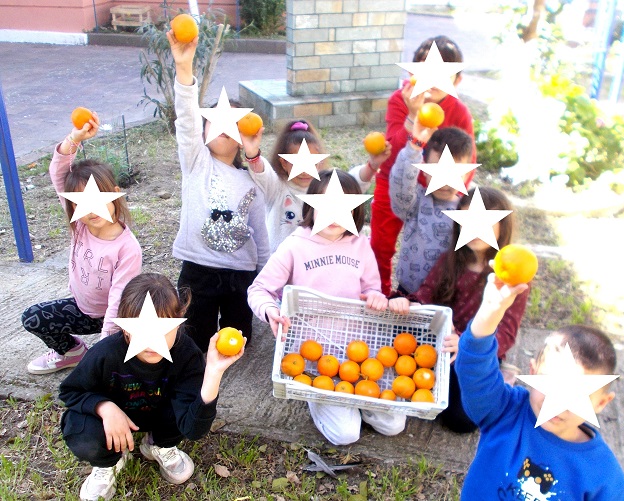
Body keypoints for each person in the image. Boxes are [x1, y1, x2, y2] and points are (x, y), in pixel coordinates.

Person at [247, 169, 405, 445]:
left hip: (359, 351)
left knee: (394, 425)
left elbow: (371, 289)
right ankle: (318, 399)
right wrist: (270, 310)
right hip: (314, 354)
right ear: (311, 206)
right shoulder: (295, 245)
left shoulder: (360, 245)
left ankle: (359, 401)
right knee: (346, 434)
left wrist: (376, 297)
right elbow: (258, 289)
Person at [59, 273, 245, 501]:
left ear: (179, 321)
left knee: (186, 406)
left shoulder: (187, 355)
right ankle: (109, 461)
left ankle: (159, 444)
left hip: (160, 415)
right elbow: (70, 391)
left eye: (163, 329)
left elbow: (193, 429)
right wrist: (104, 407)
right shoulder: (105, 353)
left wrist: (213, 372)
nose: (151, 340)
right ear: (125, 327)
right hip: (113, 419)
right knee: (83, 433)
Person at [455, 273, 624, 500]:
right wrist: (488, 315)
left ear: (601, 402)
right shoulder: (504, 411)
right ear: (533, 372)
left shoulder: (605, 480)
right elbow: (474, 370)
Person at [389, 187, 529, 433]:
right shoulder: (450, 260)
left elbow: (506, 334)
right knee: (407, 383)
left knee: (462, 421)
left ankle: (500, 377)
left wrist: (466, 342)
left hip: (477, 352)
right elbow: (426, 294)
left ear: (502, 225)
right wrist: (408, 302)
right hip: (442, 343)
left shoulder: (512, 277)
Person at [168, 29, 270, 351]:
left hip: (240, 274)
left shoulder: (253, 178)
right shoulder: (196, 161)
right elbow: (186, 120)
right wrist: (184, 69)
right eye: (216, 120)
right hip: (198, 270)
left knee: (238, 342)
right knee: (193, 341)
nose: (225, 127)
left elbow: (260, 231)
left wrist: (264, 276)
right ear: (203, 131)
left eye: (235, 123)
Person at [23, 113, 142, 375]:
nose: (91, 209)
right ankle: (72, 352)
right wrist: (74, 138)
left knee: (124, 365)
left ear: (115, 194)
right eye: (81, 202)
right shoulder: (80, 226)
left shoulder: (127, 248)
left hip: (117, 319)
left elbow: (118, 299)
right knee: (32, 318)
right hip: (82, 309)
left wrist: (103, 348)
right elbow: (58, 172)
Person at [371, 35, 476, 295]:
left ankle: (425, 296)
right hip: (396, 181)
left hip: (438, 192)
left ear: (457, 80)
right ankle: (379, 296)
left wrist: (451, 192)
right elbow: (393, 152)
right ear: (412, 74)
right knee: (380, 246)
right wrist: (412, 115)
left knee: (437, 247)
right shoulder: (400, 100)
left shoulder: (459, 111)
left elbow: (468, 159)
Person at [248, 119, 390, 253]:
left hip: (315, 262)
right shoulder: (277, 188)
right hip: (281, 263)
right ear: (284, 163)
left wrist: (372, 165)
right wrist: (253, 153)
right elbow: (262, 174)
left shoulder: (325, 186)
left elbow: (353, 182)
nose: (305, 171)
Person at [389, 126, 474, 295]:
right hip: (407, 292)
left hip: (446, 296)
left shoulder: (468, 211)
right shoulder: (416, 202)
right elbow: (400, 183)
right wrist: (413, 148)